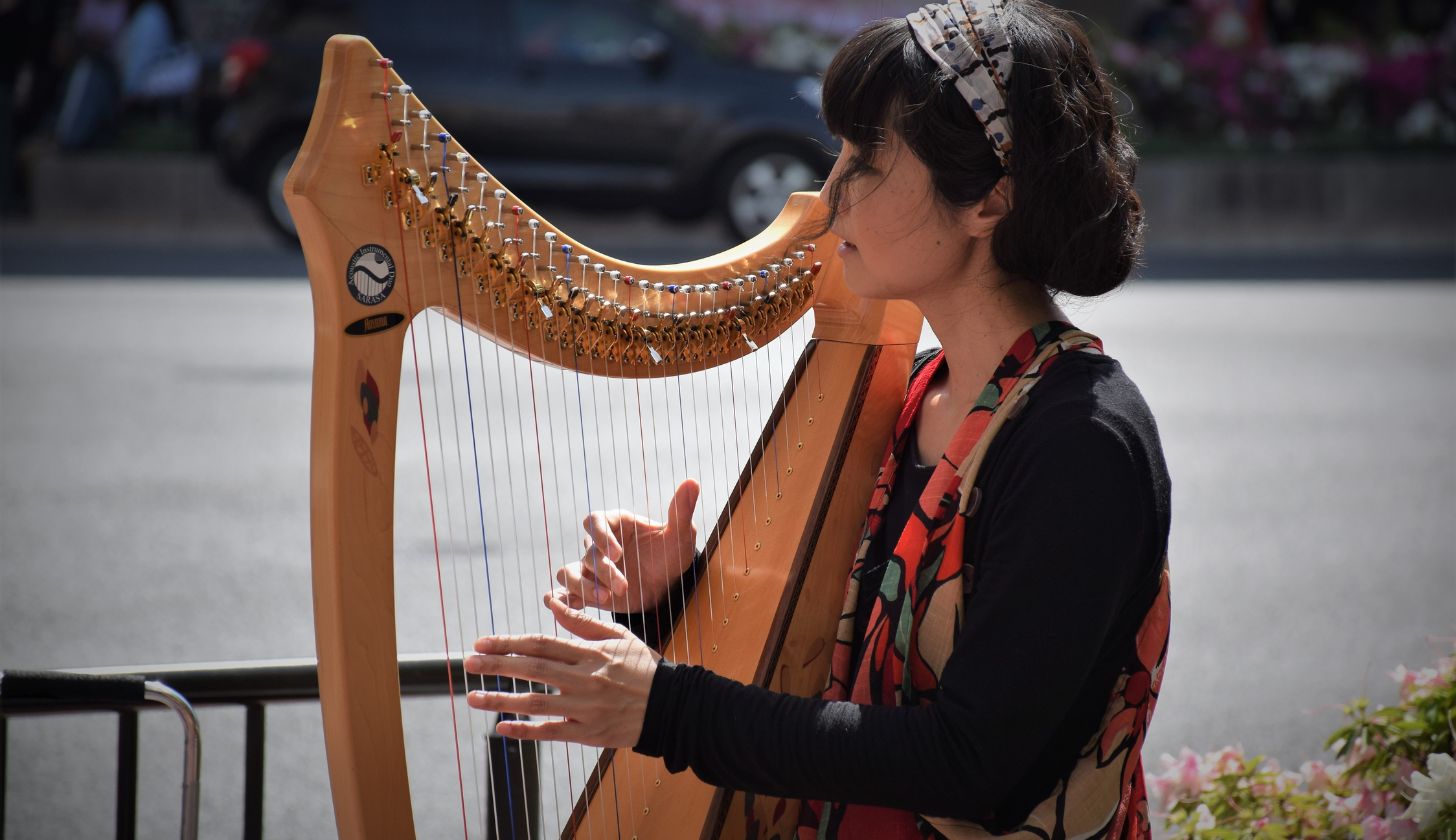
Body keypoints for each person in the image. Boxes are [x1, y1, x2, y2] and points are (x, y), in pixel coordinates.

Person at [464, 1, 1173, 837]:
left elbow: (975, 765)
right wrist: (674, 604)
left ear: (988, 201)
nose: (827, 195)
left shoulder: (1080, 441)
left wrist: (664, 706)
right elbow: (838, 667)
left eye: (865, 160)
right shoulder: (911, 392)